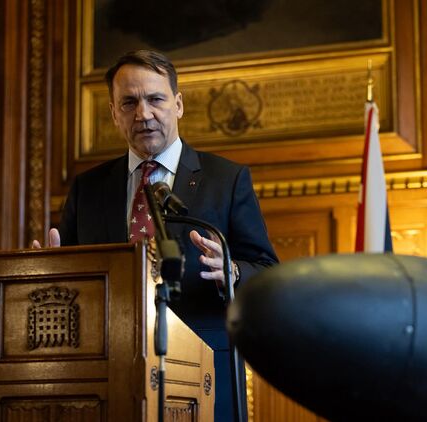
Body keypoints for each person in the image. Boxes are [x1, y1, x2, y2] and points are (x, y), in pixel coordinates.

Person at [34, 50, 278, 421]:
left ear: (178, 104)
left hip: (205, 370)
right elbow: (71, 280)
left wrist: (233, 271)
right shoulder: (89, 188)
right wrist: (48, 270)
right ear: (114, 112)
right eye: (129, 103)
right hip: (109, 375)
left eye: (155, 99)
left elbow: (267, 269)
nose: (143, 114)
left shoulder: (226, 179)